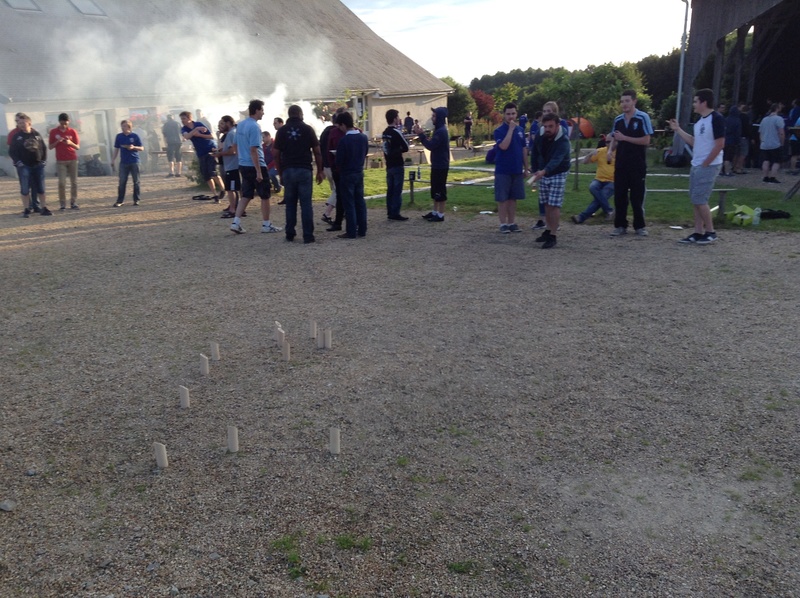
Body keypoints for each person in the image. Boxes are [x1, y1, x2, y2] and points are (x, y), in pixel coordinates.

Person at [667, 89, 724, 245]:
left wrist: (706, 162)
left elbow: (720, 144)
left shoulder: (716, 119)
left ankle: (711, 232)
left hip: (708, 165)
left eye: (695, 101)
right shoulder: (699, 122)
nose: (693, 104)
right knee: (695, 199)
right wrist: (677, 130)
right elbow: (693, 141)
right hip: (697, 164)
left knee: (700, 199)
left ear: (703, 102)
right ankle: (698, 232)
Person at [273, 104, 324, 244]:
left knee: (290, 204)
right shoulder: (308, 129)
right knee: (306, 204)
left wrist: (280, 172)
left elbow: (276, 154)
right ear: (300, 114)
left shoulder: (281, 131)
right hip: (304, 170)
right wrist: (319, 170)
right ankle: (308, 235)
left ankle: (290, 233)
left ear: (289, 115)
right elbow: (317, 151)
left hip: (288, 170)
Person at [229, 99, 281, 235]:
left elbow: (235, 145)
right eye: (262, 110)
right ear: (257, 110)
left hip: (243, 164)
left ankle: (236, 222)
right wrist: (259, 171)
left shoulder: (240, 125)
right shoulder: (255, 127)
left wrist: (241, 157)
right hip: (255, 165)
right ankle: (266, 224)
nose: (263, 113)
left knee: (246, 194)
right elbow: (254, 150)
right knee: (265, 196)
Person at [608, 89, 653, 237]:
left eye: (627, 101)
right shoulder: (618, 120)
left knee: (636, 197)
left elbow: (646, 140)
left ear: (634, 101)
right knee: (620, 196)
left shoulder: (642, 117)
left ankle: (639, 226)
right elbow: (615, 138)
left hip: (637, 163)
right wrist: (610, 150)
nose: (624, 104)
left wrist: (625, 138)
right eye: (622, 101)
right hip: (621, 163)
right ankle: (620, 225)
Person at [530, 113, 571, 249]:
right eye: (545, 126)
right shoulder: (540, 135)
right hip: (543, 171)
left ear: (557, 125)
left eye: (551, 126)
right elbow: (535, 152)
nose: (547, 129)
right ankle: (548, 230)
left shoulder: (563, 140)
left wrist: (543, 171)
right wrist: (534, 170)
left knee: (554, 205)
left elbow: (556, 161)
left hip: (559, 172)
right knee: (546, 204)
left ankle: (553, 235)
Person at [493, 102, 529, 233]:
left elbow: (524, 149)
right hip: (503, 170)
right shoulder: (499, 131)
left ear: (517, 114)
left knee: (513, 198)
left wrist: (526, 167)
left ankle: (512, 222)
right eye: (508, 114)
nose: (511, 116)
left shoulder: (520, 131)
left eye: (513, 113)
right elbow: (503, 146)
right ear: (504, 115)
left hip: (516, 169)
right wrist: (511, 130)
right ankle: (503, 224)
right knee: (503, 198)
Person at [334, 111, 369, 239]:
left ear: (343, 125)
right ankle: (362, 228)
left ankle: (351, 230)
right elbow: (365, 152)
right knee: (360, 201)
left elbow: (339, 161)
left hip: (347, 173)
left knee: (349, 203)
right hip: (359, 171)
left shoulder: (344, 140)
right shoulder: (363, 137)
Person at [9, 114, 52, 217]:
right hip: (24, 166)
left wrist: (43, 161)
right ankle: (26, 209)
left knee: (41, 188)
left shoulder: (36, 135)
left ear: (29, 123)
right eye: (19, 123)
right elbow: (12, 152)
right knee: (25, 189)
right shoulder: (16, 136)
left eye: (23, 123)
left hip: (38, 165)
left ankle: (44, 208)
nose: (21, 125)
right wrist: (18, 163)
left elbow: (43, 148)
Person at [413, 106, 450, 222]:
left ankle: (440, 214)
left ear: (439, 118)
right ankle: (435, 211)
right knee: (435, 189)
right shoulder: (438, 130)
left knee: (440, 189)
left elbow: (430, 146)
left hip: (441, 165)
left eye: (434, 116)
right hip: (437, 164)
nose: (432, 118)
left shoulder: (441, 132)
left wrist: (421, 135)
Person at [180, 110, 225, 200]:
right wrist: (195, 130)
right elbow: (187, 136)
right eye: (181, 119)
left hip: (210, 149)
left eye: (184, 118)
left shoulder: (199, 124)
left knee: (213, 172)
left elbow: (211, 136)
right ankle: (215, 194)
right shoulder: (184, 129)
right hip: (201, 152)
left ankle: (223, 189)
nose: (182, 120)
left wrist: (200, 135)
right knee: (206, 175)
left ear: (190, 118)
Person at [572, 134, 615, 224]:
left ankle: (581, 217)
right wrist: (590, 154)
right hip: (599, 179)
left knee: (600, 197)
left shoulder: (621, 153)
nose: (607, 144)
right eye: (606, 142)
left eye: (609, 142)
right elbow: (585, 162)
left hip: (612, 181)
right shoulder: (601, 151)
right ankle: (610, 211)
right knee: (593, 187)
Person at [48, 112, 80, 210]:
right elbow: (50, 147)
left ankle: (73, 202)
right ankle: (62, 203)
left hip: (72, 159)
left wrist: (70, 143)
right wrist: (58, 141)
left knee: (74, 182)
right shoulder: (53, 132)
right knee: (62, 182)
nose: (64, 125)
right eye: (62, 123)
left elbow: (77, 147)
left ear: (68, 121)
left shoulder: (72, 131)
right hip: (60, 160)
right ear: (59, 122)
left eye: (66, 123)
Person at [382, 109, 410, 221]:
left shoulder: (385, 133)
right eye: (397, 117)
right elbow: (406, 147)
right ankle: (395, 212)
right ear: (394, 119)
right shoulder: (396, 132)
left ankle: (390, 211)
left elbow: (385, 147)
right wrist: (398, 150)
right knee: (397, 189)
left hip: (389, 163)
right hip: (397, 163)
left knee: (390, 189)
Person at [211, 115, 239, 218]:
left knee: (231, 189)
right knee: (231, 189)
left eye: (222, 123)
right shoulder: (231, 133)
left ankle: (233, 210)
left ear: (228, 123)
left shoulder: (231, 134)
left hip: (232, 165)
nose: (220, 126)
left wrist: (219, 154)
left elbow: (233, 151)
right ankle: (235, 208)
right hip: (230, 165)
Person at [111, 119, 143, 207]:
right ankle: (120, 201)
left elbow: (142, 148)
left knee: (136, 181)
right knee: (122, 182)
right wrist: (113, 159)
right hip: (123, 162)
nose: (123, 127)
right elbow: (116, 149)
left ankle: (136, 200)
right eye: (122, 126)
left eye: (124, 126)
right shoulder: (119, 136)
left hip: (134, 161)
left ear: (129, 126)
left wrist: (134, 147)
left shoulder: (135, 136)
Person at [318, 112, 340, 224]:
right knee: (338, 191)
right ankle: (327, 213)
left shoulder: (325, 131)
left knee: (335, 190)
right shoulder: (337, 133)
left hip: (326, 165)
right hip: (333, 166)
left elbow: (320, 150)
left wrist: (320, 168)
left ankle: (342, 211)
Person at [759, 103, 785, 184]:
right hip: (774, 143)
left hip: (764, 144)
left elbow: (760, 133)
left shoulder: (764, 119)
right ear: (777, 109)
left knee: (766, 160)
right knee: (776, 161)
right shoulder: (779, 119)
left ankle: (765, 177)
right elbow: (781, 132)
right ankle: (773, 177)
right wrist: (782, 142)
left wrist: (762, 141)